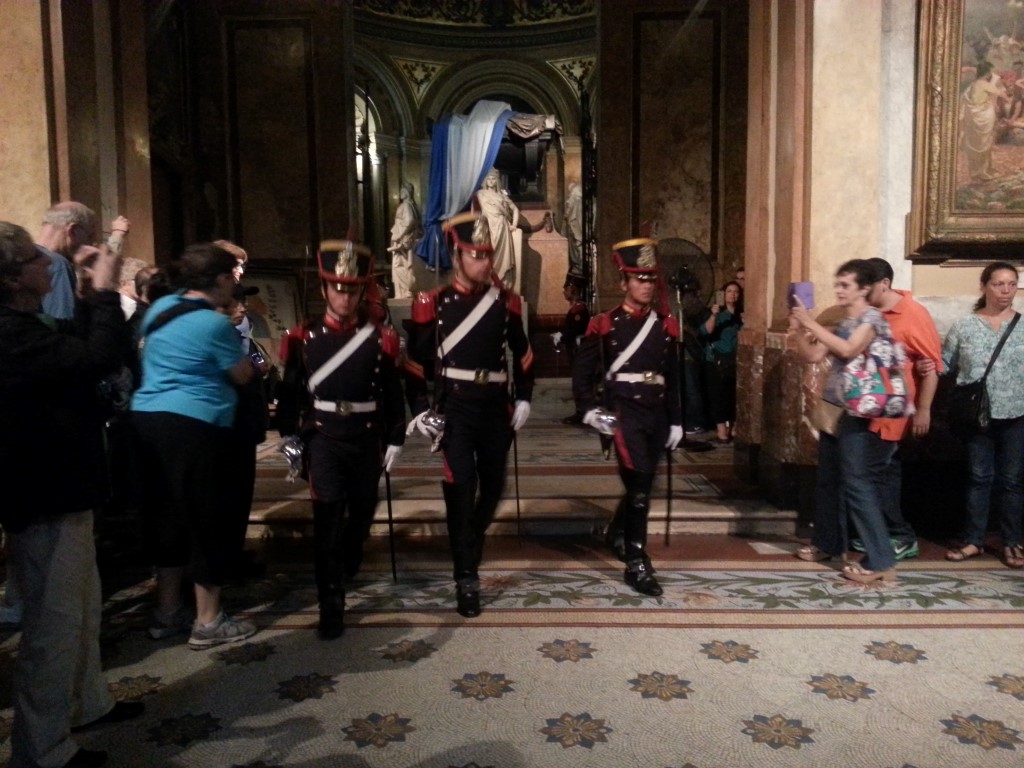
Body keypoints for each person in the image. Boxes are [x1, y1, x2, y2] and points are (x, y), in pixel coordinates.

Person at [0, 221, 142, 768]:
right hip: (44, 495)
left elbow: (77, 343)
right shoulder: (9, 334)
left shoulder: (27, 323)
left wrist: (86, 294)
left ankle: (85, 704)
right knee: (52, 626)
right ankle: (42, 751)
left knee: (81, 609)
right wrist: (105, 292)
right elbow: (95, 358)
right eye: (34, 260)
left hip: (68, 487)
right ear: (13, 279)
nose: (47, 264)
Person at [405, 212, 534, 618]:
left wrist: (524, 397)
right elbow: (414, 362)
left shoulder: (505, 302)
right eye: (477, 255)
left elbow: (524, 353)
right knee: (461, 489)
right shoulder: (434, 304)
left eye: (488, 255)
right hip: (456, 411)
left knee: (493, 488)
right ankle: (466, 575)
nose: (485, 262)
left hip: (495, 409)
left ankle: (469, 540)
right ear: (457, 255)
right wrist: (420, 411)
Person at [131, 242, 259, 649]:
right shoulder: (213, 324)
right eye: (231, 279)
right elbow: (241, 375)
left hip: (147, 422)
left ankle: (168, 612)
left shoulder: (159, 308)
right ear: (220, 279)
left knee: (166, 517)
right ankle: (208, 620)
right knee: (208, 519)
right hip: (194, 426)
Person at [276, 240, 406, 638]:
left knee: (362, 513)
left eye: (352, 290)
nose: (345, 297)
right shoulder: (302, 337)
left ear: (362, 291)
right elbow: (290, 393)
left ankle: (352, 550)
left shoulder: (380, 339)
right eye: (337, 288)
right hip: (323, 439)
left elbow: (392, 391)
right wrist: (288, 435)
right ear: (323, 289)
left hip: (365, 438)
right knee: (327, 521)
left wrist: (396, 437)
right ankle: (331, 602)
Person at [572, 238, 683, 597]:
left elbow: (674, 377)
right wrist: (589, 410)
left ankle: (617, 531)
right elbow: (583, 372)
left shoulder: (665, 326)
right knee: (639, 485)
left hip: (657, 414)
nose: (646, 285)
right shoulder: (605, 324)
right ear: (624, 283)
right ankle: (636, 561)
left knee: (641, 485)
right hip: (623, 412)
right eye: (639, 279)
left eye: (651, 279)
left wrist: (677, 420)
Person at [790, 259, 899, 584]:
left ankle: (880, 559)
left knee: (857, 483)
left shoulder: (871, 318)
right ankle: (828, 543)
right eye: (837, 284)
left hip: (860, 413)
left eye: (845, 285)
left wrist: (810, 322)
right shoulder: (843, 321)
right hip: (835, 408)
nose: (838, 290)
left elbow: (849, 350)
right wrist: (798, 330)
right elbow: (813, 355)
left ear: (863, 289)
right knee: (829, 479)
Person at [848, 257, 943, 561]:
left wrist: (924, 410)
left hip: (892, 410)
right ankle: (882, 534)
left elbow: (932, 365)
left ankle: (898, 535)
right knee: (884, 473)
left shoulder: (913, 314)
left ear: (884, 284)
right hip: (866, 406)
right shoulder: (868, 312)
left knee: (869, 475)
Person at [940, 261, 1024, 568]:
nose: (1006, 290)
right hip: (977, 415)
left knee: (1012, 480)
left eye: (1012, 284)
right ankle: (974, 540)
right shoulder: (964, 326)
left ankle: (1011, 541)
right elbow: (944, 364)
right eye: (999, 284)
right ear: (984, 286)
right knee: (979, 477)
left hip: (1018, 412)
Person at [223, 280, 272, 583]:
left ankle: (235, 552)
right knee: (230, 498)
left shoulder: (243, 335)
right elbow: (240, 372)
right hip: (231, 428)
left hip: (247, 427)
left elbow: (260, 361)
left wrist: (259, 363)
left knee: (241, 496)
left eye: (244, 302)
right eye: (235, 302)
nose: (242, 308)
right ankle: (227, 559)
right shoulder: (221, 336)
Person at [35, 201, 97, 320]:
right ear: (72, 230)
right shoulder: (57, 264)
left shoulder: (16, 260)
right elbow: (64, 322)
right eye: (90, 236)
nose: (92, 243)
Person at [699, 280, 743, 443]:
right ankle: (721, 431)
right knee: (718, 395)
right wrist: (714, 315)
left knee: (734, 395)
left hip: (735, 360)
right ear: (723, 294)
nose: (733, 295)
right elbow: (705, 331)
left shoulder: (741, 314)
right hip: (716, 360)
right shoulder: (716, 313)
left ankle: (734, 428)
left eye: (736, 292)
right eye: (729, 291)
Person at [552, 272, 591, 424]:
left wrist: (561, 336)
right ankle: (581, 411)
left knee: (580, 381)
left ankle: (582, 413)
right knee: (577, 380)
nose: (564, 291)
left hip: (578, 350)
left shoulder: (579, 310)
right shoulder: (575, 308)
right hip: (574, 349)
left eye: (566, 288)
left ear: (573, 289)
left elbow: (574, 331)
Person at [473, 167, 521, 286]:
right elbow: (474, 212)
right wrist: (477, 222)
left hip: (501, 227)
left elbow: (515, 209)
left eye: (493, 178)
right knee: (487, 252)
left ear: (497, 181)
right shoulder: (480, 194)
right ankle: (488, 281)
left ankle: (502, 282)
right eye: (488, 178)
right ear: (485, 181)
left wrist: (514, 225)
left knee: (502, 255)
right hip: (487, 227)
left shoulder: (502, 196)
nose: (491, 181)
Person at [960, 60, 1005, 182]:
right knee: (983, 143)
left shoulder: (974, 83)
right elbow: (1002, 94)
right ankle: (982, 172)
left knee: (979, 144)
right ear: (987, 73)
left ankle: (982, 170)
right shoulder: (984, 84)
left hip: (974, 117)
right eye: (990, 72)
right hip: (982, 117)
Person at [388, 182, 423, 299]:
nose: (400, 192)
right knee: (404, 265)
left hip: (402, 241)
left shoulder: (406, 205)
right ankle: (406, 290)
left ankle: (408, 288)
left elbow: (410, 221)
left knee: (398, 266)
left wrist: (400, 235)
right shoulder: (411, 206)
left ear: (407, 192)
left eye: (402, 190)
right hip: (405, 240)